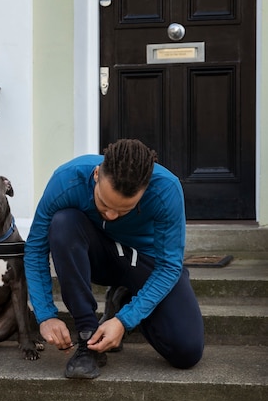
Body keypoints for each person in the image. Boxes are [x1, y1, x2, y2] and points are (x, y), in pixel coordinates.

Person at [24, 139, 204, 379]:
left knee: (187, 352)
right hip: (99, 257)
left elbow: (169, 266)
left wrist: (124, 320)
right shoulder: (67, 179)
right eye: (104, 203)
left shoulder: (166, 188)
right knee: (63, 223)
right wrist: (45, 315)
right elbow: (35, 249)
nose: (111, 215)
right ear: (97, 174)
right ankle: (88, 338)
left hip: (145, 265)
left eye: (124, 210)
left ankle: (124, 300)